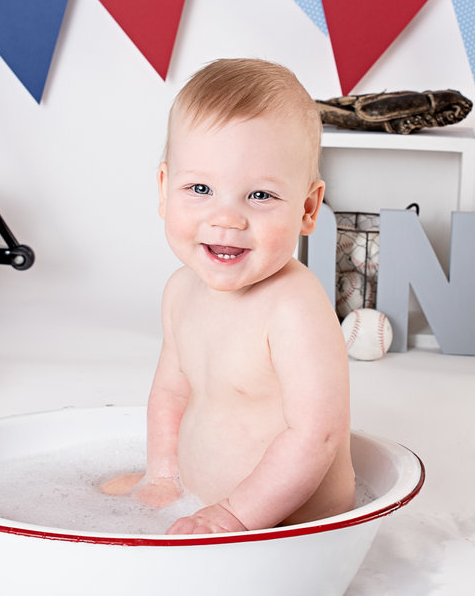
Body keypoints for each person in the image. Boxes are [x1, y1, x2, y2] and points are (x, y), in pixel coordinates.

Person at [101, 58, 355, 534]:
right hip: (203, 505)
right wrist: (162, 477)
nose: (227, 219)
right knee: (95, 498)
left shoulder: (294, 307)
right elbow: (171, 394)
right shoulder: (180, 290)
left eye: (259, 196)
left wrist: (234, 515)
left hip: (292, 528)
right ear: (163, 188)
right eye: (200, 188)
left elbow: (316, 436)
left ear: (308, 208)